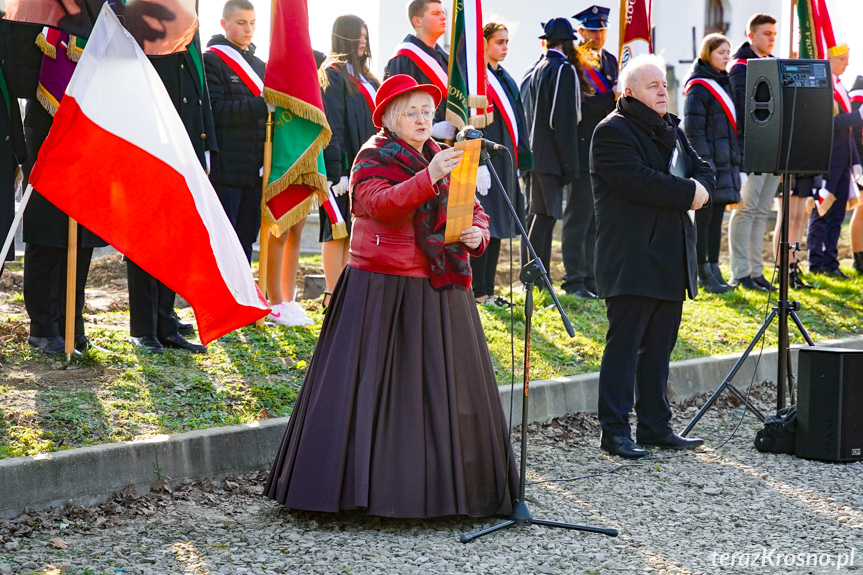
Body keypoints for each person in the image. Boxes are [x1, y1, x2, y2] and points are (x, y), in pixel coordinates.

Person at [264, 75, 517, 517]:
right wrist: (429, 176)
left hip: (440, 282)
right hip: (383, 286)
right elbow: (378, 204)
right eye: (412, 112)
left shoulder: (440, 154)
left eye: (427, 112)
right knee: (376, 389)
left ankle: (448, 493)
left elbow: (471, 207)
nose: (423, 120)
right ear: (388, 118)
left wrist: (478, 234)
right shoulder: (373, 155)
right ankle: (366, 492)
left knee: (443, 390)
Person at [591, 54, 712, 458]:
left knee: (660, 348)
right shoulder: (612, 132)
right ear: (629, 92)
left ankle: (655, 427)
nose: (663, 91)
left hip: (670, 256)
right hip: (632, 256)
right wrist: (689, 193)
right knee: (625, 348)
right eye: (652, 86)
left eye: (663, 84)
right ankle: (614, 431)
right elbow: (639, 182)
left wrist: (701, 189)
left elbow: (702, 168)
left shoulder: (670, 129)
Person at [127, 32, 217, 354]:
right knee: (146, 240)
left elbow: (199, 91)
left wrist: (207, 147)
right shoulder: (140, 18)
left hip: (186, 146)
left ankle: (166, 325)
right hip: (150, 144)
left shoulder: (188, 25)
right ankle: (143, 329)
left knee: (175, 239)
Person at [520, 18, 591, 281]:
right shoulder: (562, 69)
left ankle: (532, 276)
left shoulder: (534, 67)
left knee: (536, 216)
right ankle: (539, 279)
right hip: (549, 156)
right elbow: (562, 121)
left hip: (532, 154)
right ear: (569, 41)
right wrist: (570, 165)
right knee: (545, 217)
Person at [318, 15, 380, 308]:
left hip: (368, 167)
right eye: (359, 35)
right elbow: (334, 126)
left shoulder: (368, 77)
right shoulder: (331, 74)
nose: (364, 41)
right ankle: (332, 295)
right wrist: (339, 170)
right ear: (345, 37)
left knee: (356, 232)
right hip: (343, 169)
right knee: (337, 229)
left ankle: (349, 294)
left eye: (366, 36)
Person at [471, 22, 532, 306]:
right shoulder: (476, 77)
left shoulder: (503, 76)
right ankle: (477, 291)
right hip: (483, 163)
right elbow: (472, 122)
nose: (505, 47)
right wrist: (476, 161)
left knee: (496, 226)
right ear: (483, 43)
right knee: (483, 225)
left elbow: (517, 120)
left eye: (507, 42)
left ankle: (487, 290)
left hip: (503, 164)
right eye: (499, 42)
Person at [561, 5, 618, 299]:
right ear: (580, 31)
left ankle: (594, 276)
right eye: (592, 30)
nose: (597, 35)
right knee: (579, 217)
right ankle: (574, 278)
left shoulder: (611, 61)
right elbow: (578, 108)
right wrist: (612, 97)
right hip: (583, 148)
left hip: (607, 152)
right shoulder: (575, 63)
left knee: (600, 219)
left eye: (601, 29)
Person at [204, 0, 267, 265]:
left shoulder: (261, 65)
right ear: (224, 24)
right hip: (225, 170)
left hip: (255, 172)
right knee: (222, 241)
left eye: (252, 23)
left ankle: (242, 301)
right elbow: (217, 112)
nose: (248, 29)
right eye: (241, 23)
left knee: (246, 240)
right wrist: (260, 105)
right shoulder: (211, 61)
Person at [683, 33, 739, 294]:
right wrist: (706, 165)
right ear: (708, 54)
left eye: (728, 52)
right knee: (703, 221)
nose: (726, 56)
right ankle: (701, 271)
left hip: (725, 162)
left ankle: (714, 268)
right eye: (720, 52)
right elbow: (694, 130)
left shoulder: (723, 82)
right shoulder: (699, 86)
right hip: (709, 165)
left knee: (717, 219)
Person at [727, 14, 779, 292]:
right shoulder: (740, 68)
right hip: (749, 150)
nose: (772, 38)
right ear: (751, 35)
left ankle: (756, 272)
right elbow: (741, 114)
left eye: (774, 33)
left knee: (761, 213)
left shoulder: (772, 64)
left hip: (771, 149)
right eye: (766, 33)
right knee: (746, 211)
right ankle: (741, 272)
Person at [807, 44, 863, 278]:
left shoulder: (839, 85)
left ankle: (831, 262)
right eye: (842, 59)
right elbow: (829, 124)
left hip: (844, 159)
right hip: (828, 158)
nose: (847, 63)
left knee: (838, 214)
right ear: (829, 59)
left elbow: (846, 131)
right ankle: (815, 262)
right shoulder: (825, 87)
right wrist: (858, 116)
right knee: (821, 211)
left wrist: (856, 161)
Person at [384, 0, 456, 141]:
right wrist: (432, 127)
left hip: (450, 147)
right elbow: (397, 106)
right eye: (435, 13)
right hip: (418, 147)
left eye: (443, 13)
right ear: (417, 21)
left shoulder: (447, 60)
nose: (443, 17)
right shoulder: (404, 57)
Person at [850, 75, 863, 275]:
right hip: (860, 155)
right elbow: (853, 129)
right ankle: (858, 257)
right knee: (861, 207)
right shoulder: (859, 89)